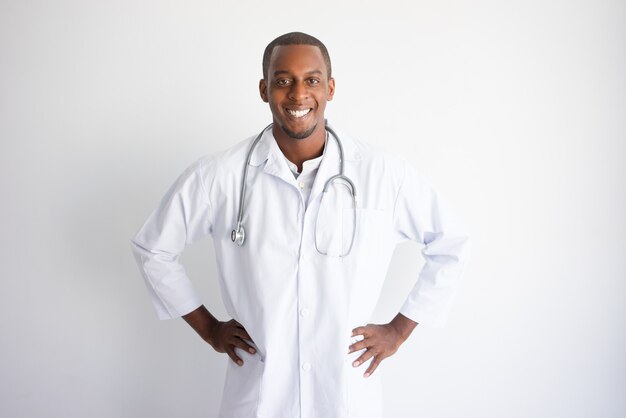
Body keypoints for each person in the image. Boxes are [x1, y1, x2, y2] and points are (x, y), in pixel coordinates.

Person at [131, 32, 468, 418]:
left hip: (345, 397)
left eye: (311, 80)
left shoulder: (383, 174)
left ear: (330, 88)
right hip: (259, 396)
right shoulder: (219, 175)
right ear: (264, 88)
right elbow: (152, 248)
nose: (297, 94)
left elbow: (451, 244)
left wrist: (398, 331)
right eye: (282, 80)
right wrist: (209, 329)